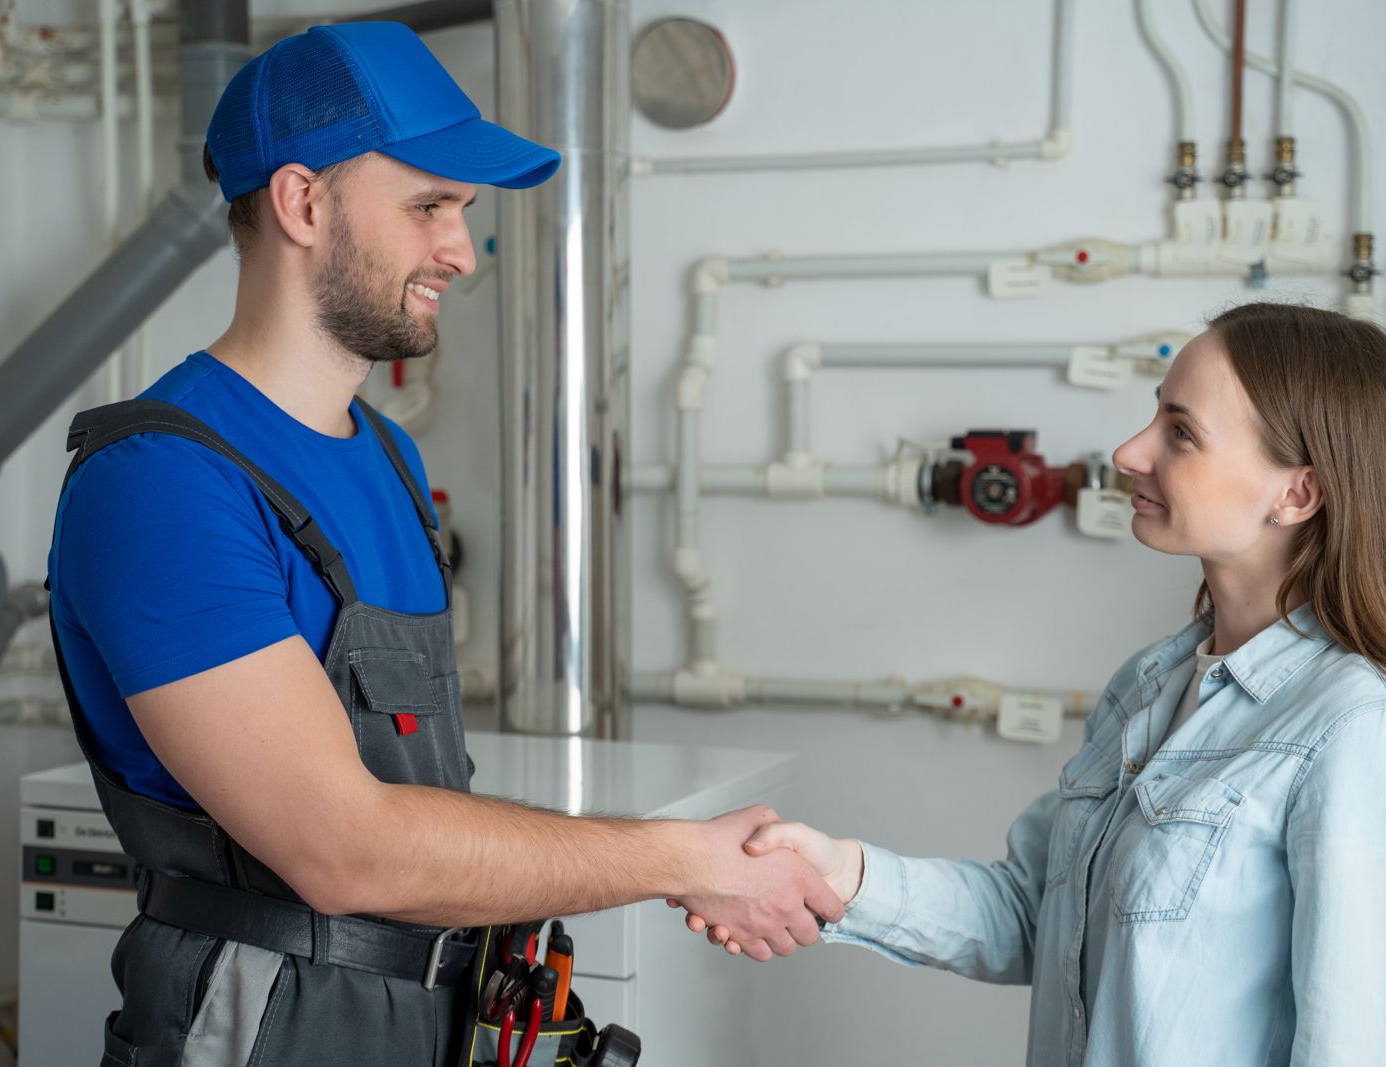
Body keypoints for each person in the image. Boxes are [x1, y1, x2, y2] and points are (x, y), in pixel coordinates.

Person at [47, 21, 841, 1065]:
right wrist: (681, 857)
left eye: (463, 213)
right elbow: (345, 850)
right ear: (301, 201)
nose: (461, 251)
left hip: (432, 1007)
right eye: (429, 206)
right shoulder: (161, 479)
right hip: (263, 1019)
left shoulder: (387, 458)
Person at [677, 302, 1386, 1066]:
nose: (1131, 452)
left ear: (1296, 492)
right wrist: (838, 869)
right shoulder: (1151, 683)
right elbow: (1034, 913)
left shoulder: (1364, 729)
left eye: (1180, 432)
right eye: (1154, 416)